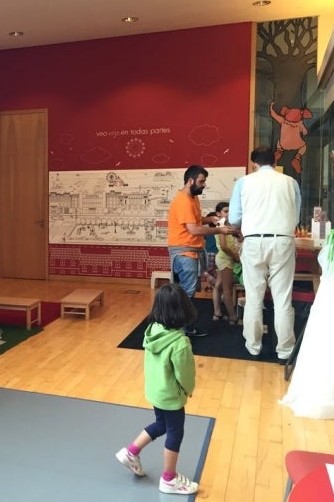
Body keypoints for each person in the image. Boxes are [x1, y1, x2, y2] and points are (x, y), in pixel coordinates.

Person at [115, 283, 199, 495]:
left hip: (155, 392)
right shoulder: (180, 343)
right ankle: (169, 479)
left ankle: (131, 452)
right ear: (183, 309)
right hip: (171, 396)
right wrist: (188, 389)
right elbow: (185, 375)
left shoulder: (152, 331)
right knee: (175, 432)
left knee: (162, 424)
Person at [228, 145, 301, 361]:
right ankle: (285, 349)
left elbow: (233, 219)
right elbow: (295, 218)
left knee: (253, 298)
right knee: (283, 299)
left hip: (253, 243)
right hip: (283, 242)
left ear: (254, 164)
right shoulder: (291, 182)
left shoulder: (244, 182)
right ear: (275, 161)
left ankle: (253, 346)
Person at [167, 165, 235, 336]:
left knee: (186, 291)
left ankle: (181, 327)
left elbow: (195, 222)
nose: (204, 184)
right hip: (185, 252)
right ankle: (186, 329)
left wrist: (209, 219)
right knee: (187, 293)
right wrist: (219, 230)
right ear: (190, 181)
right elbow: (194, 230)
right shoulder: (183, 201)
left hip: (191, 251)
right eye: (201, 181)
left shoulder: (192, 198)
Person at [212, 202, 242, 324]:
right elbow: (224, 246)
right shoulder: (220, 225)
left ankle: (217, 313)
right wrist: (235, 256)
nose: (228, 213)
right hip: (225, 259)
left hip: (227, 258)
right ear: (218, 214)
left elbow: (237, 238)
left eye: (230, 211)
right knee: (227, 289)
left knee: (218, 285)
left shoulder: (229, 225)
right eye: (225, 211)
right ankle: (232, 317)